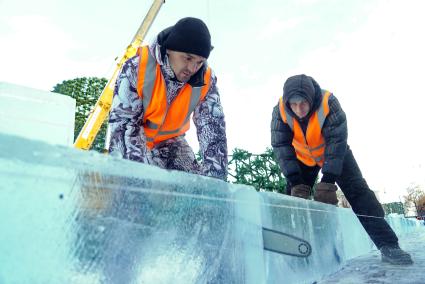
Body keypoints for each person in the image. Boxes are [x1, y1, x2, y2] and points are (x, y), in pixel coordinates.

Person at [270, 74, 413, 265]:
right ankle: (294, 253)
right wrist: (295, 180)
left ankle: (389, 245)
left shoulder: (329, 103)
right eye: (294, 104)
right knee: (293, 199)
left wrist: (328, 180)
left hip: (335, 154)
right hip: (302, 157)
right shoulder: (280, 110)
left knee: (360, 194)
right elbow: (280, 146)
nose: (299, 109)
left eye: (303, 103)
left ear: (311, 98)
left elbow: (337, 141)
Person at [108, 17, 227, 181]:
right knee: (135, 184)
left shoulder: (206, 79)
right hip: (135, 139)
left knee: (192, 188)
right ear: (170, 49)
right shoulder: (137, 67)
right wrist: (133, 179)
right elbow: (124, 125)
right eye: (188, 58)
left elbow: (213, 130)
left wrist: (216, 185)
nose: (192, 69)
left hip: (172, 143)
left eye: (199, 62)